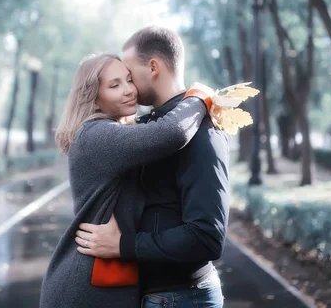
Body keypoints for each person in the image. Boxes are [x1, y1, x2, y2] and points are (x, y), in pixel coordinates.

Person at [39, 53, 214, 308]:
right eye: (114, 85)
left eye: (129, 80)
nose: (128, 91)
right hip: (85, 289)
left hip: (104, 282)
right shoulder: (97, 135)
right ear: (94, 99)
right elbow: (171, 132)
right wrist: (200, 97)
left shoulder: (115, 133)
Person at [76, 26, 231, 308]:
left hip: (183, 297)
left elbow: (207, 238)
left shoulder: (202, 134)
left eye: (130, 76)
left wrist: (124, 245)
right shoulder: (151, 130)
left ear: (153, 67)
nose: (129, 88)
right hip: (156, 294)